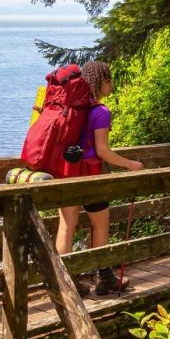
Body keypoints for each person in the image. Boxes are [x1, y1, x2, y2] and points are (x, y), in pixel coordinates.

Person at [55, 60, 145, 296]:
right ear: (100, 81)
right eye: (108, 79)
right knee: (100, 226)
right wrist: (130, 164)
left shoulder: (72, 108)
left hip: (68, 173)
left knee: (66, 227)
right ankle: (104, 278)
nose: (111, 84)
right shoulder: (100, 112)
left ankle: (66, 281)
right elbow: (102, 150)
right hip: (92, 175)